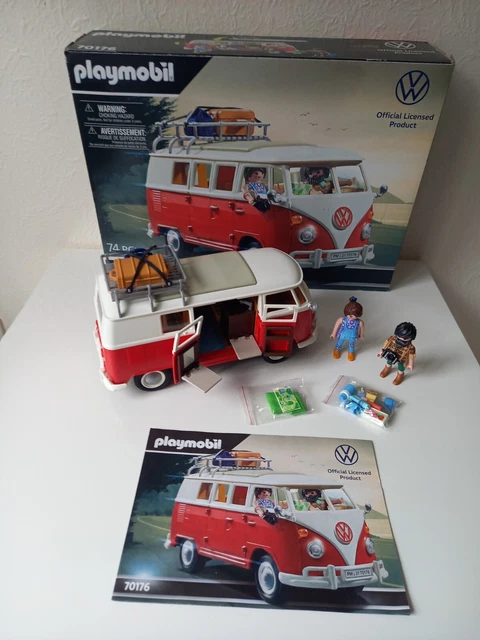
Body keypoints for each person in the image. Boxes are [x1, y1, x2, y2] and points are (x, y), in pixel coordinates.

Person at [330, 297, 364, 362]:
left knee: (351, 345)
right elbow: (336, 325)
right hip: (343, 334)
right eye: (348, 314)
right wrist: (333, 334)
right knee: (339, 343)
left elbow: (362, 329)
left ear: (358, 314)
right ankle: (336, 350)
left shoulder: (359, 322)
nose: (350, 316)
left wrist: (361, 335)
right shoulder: (342, 319)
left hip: (352, 336)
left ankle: (351, 352)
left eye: (353, 315)